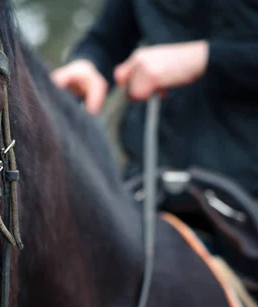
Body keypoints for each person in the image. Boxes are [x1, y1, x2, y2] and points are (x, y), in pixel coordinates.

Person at [51, 0, 258, 198]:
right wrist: (88, 63)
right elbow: (108, 39)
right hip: (148, 178)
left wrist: (204, 58)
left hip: (247, 186)